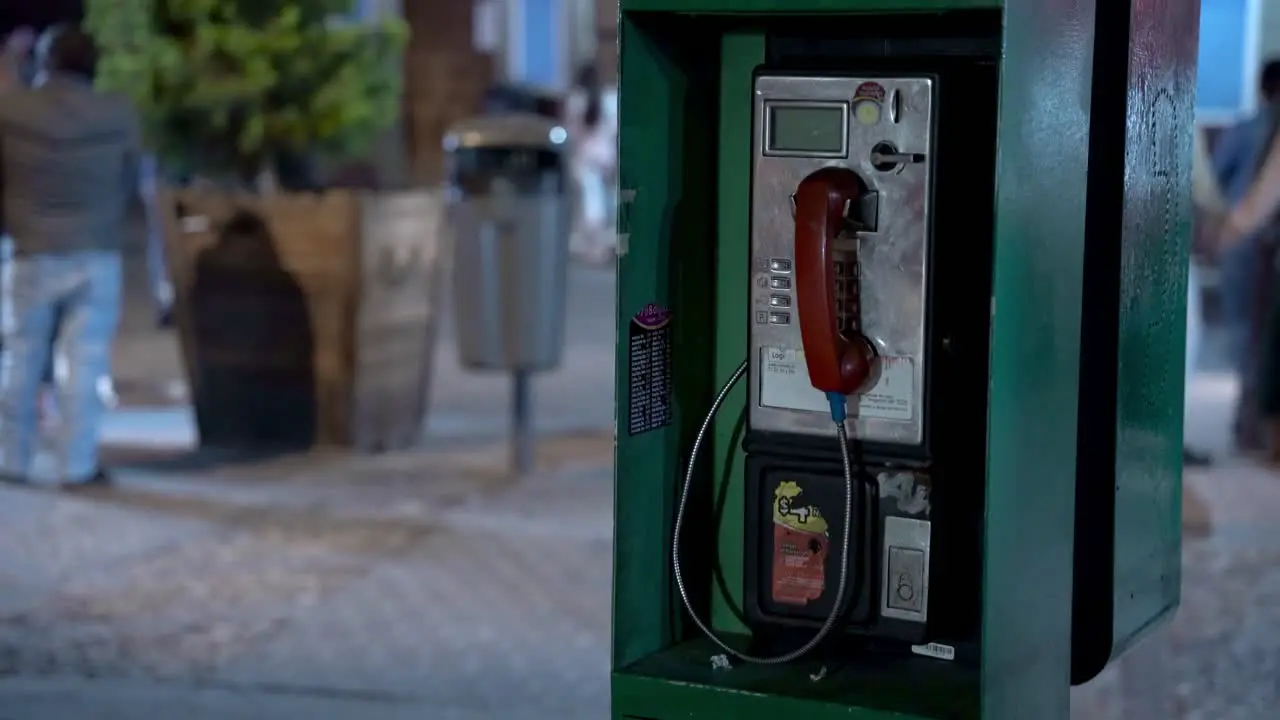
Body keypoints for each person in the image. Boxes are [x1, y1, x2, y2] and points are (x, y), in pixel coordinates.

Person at [0, 26, 140, 488]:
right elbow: (130, 179)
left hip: (31, 249)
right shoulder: (118, 112)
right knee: (85, 362)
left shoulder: (12, 110)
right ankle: (77, 466)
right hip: (96, 250)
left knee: (21, 357)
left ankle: (12, 461)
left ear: (46, 63)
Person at [1213, 59, 1280, 452]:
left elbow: (1231, 187)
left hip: (1249, 245)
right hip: (1256, 245)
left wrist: (1227, 232)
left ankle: (1251, 425)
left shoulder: (1247, 128)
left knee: (1250, 336)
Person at [563, 64, 617, 265]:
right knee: (603, 199)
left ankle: (596, 247)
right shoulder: (609, 98)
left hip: (586, 156)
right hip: (606, 155)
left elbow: (573, 131)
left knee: (591, 201)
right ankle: (600, 244)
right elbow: (613, 128)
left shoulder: (577, 100)